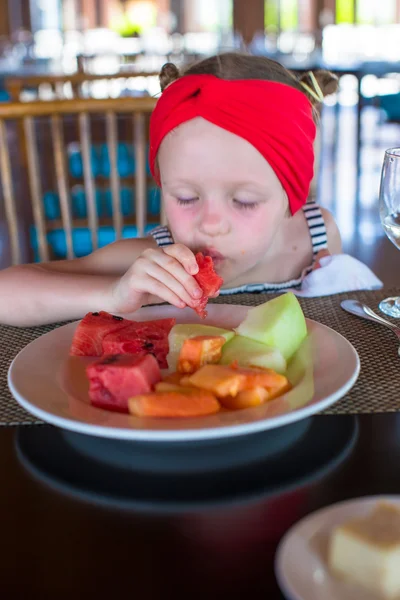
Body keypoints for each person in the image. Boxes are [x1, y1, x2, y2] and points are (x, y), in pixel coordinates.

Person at [0, 52, 341, 327]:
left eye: (244, 201)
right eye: (186, 197)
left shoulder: (318, 236)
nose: (211, 224)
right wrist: (113, 294)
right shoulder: (159, 263)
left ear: (292, 197)